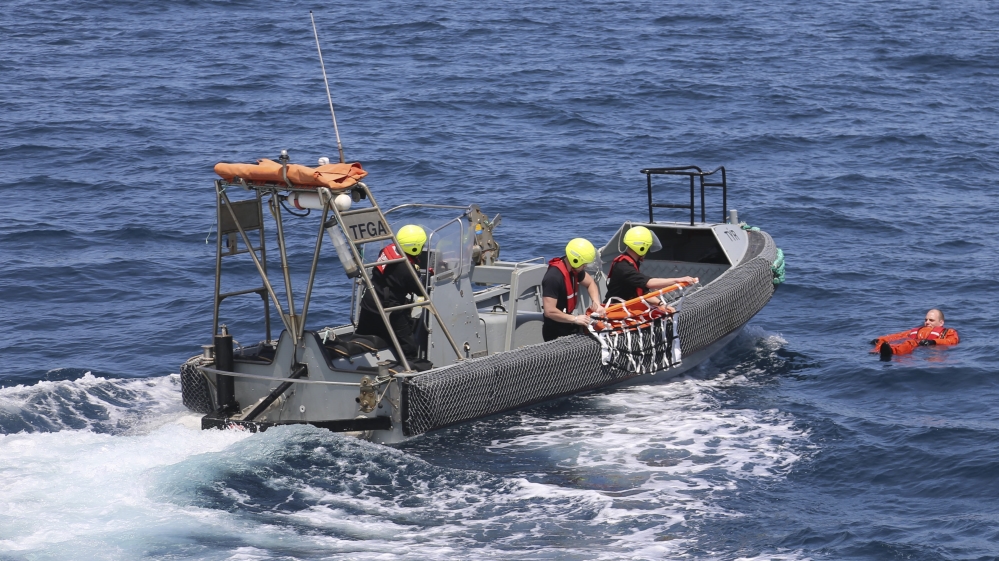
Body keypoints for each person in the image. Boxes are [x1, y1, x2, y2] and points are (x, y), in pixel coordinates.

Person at [355, 224, 428, 364]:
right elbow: (421, 290)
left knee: (361, 337)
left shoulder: (386, 250)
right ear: (415, 248)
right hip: (390, 309)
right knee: (409, 348)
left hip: (369, 302)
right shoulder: (407, 270)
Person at [605, 226, 698, 309]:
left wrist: (661, 304)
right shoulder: (624, 266)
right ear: (642, 247)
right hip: (615, 308)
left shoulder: (631, 262)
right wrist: (678, 280)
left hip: (626, 305)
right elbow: (649, 283)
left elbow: (643, 292)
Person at [542, 238, 605, 342]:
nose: (585, 266)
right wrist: (575, 319)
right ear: (575, 260)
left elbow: (590, 283)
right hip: (555, 331)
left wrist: (596, 302)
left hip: (569, 324)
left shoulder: (575, 269)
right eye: (584, 264)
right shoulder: (553, 278)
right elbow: (549, 311)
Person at [871, 308, 959, 360]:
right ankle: (878, 350)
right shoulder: (917, 330)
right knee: (887, 342)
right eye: (926, 320)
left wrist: (933, 342)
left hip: (928, 350)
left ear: (941, 323)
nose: (927, 322)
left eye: (931, 320)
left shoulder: (948, 332)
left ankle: (891, 351)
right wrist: (881, 339)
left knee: (909, 344)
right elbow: (900, 335)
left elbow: (952, 341)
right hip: (915, 344)